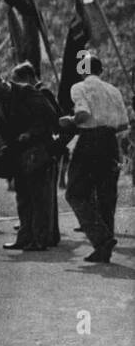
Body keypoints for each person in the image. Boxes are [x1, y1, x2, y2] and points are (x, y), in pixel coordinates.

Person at [59, 56, 130, 262]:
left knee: (75, 193)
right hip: (110, 142)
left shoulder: (79, 87)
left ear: (82, 71)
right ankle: (104, 248)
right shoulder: (114, 90)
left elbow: (82, 113)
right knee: (106, 195)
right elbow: (124, 124)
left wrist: (69, 121)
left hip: (89, 141)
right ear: (101, 70)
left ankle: (101, 238)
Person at [0, 63, 58, 251]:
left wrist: (31, 133)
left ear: (3, 83)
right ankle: (24, 237)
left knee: (39, 197)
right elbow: (0, 131)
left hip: (36, 150)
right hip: (17, 154)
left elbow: (49, 116)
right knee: (23, 197)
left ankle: (40, 239)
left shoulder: (26, 92)